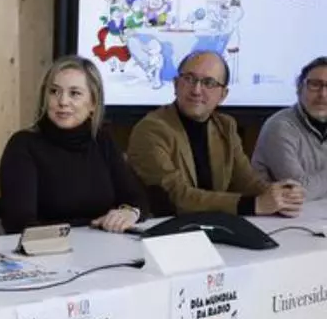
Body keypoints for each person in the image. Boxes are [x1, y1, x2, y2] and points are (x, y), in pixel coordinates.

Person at [127, 50, 305, 217]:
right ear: (175, 84)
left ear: (223, 95)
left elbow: (246, 180)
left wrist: (279, 195)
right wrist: (254, 204)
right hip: (167, 227)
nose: (196, 90)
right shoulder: (151, 129)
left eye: (208, 83)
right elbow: (176, 196)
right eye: (189, 79)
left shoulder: (225, 126)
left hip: (215, 223)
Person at [0, 55, 148, 235]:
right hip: (49, 248)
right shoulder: (23, 145)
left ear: (93, 103)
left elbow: (137, 199)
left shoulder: (102, 141)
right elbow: (19, 222)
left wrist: (129, 213)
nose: (62, 102)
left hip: (105, 243)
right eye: (54, 91)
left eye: (74, 93)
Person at [252, 57, 327, 199]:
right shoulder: (279, 126)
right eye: (315, 85)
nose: (323, 94)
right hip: (282, 212)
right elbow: (298, 189)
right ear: (299, 89)